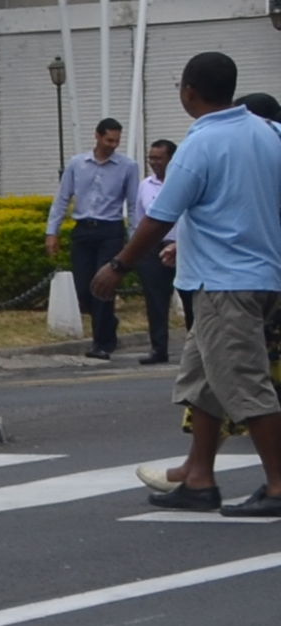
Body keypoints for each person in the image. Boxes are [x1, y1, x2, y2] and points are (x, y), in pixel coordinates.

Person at [95, 51, 281, 516]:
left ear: (189, 91)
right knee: (202, 381)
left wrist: (117, 266)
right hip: (257, 276)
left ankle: (279, 485)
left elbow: (160, 216)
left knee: (244, 383)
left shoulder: (201, 144)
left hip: (226, 283)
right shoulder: (269, 132)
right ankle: (199, 478)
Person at [46, 117, 142, 360]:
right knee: (84, 288)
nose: (112, 145)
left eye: (117, 141)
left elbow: (132, 204)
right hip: (83, 230)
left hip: (110, 230)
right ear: (97, 136)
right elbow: (62, 198)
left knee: (103, 285)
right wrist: (52, 231)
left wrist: (134, 238)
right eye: (109, 140)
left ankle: (101, 343)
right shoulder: (77, 164)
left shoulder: (128, 166)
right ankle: (108, 323)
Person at [135, 139, 180, 366]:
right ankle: (158, 349)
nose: (154, 163)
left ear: (171, 159)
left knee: (192, 300)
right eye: (151, 158)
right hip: (153, 248)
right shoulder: (145, 185)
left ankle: (199, 351)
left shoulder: (182, 182)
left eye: (158, 159)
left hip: (182, 247)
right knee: (155, 301)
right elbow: (139, 219)